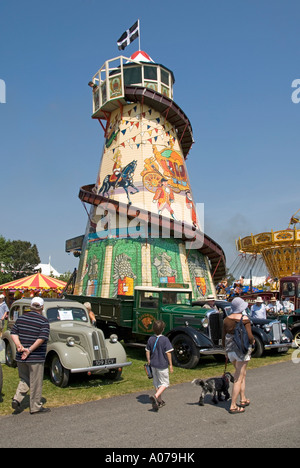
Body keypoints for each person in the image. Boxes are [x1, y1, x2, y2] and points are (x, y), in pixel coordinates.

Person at [11, 297, 50, 414]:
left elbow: (14, 333)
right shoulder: (43, 321)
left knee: (24, 378)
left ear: (31, 306)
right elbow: (42, 338)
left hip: (21, 355)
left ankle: (17, 399)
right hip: (35, 356)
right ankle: (35, 406)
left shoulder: (21, 319)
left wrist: (19, 346)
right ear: (42, 307)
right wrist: (29, 350)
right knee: (36, 381)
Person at [222, 297, 255, 414]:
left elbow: (223, 337)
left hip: (230, 350)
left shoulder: (226, 319)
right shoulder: (244, 319)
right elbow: (250, 336)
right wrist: (253, 342)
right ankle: (233, 405)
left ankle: (243, 398)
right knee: (238, 378)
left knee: (242, 374)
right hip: (241, 350)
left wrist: (225, 351)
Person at [146, 320, 174, 411]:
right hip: (162, 364)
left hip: (153, 364)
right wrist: (171, 365)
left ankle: (159, 401)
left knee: (157, 383)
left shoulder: (151, 339)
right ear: (163, 329)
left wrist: (149, 360)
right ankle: (156, 396)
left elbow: (147, 350)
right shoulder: (165, 339)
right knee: (165, 383)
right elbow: (168, 353)